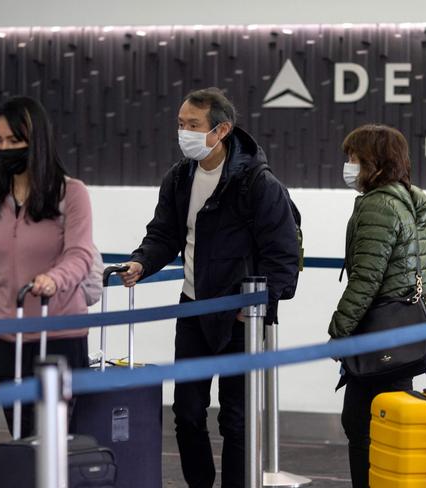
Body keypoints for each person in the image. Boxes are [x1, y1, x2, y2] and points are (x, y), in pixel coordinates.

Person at [118, 87, 299, 487]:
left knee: (236, 420)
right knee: (186, 412)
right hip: (193, 309)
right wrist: (141, 262)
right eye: (181, 124)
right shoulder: (179, 177)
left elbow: (284, 257)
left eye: (193, 126)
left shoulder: (258, 183)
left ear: (221, 129)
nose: (184, 132)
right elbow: (164, 234)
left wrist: (255, 304)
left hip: (241, 319)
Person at [329, 124, 426, 488]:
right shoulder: (407, 205)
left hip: (382, 337)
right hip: (410, 337)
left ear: (374, 162)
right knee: (389, 425)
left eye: (353, 157)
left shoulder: (379, 206)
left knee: (361, 426)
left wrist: (338, 333)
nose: (348, 165)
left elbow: (366, 280)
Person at [0, 96, 94, 438]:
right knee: (22, 440)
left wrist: (54, 279)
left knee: (53, 442)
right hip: (7, 337)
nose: (5, 149)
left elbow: (80, 255)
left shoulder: (72, 193)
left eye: (14, 141)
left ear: (36, 141)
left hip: (61, 335)